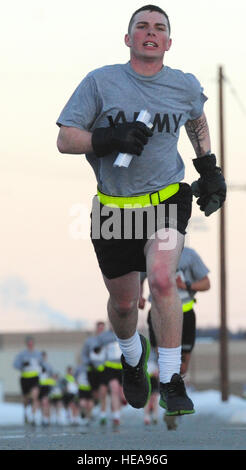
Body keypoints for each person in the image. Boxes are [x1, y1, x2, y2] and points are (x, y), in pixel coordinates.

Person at [56, 4, 226, 417]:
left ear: (168, 42)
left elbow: (196, 121)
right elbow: (65, 139)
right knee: (124, 305)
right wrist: (107, 137)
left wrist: (209, 169)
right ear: (128, 38)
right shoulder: (100, 82)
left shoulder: (183, 85)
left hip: (166, 199)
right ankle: (133, 355)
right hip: (115, 208)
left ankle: (170, 380)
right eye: (142, 27)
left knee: (165, 280)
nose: (150, 33)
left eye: (159, 28)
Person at [140, 245, 210, 428]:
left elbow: (206, 283)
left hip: (186, 312)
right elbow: (138, 276)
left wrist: (186, 285)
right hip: (158, 311)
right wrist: (138, 296)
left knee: (183, 364)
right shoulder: (151, 251)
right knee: (164, 359)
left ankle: (176, 399)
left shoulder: (189, 255)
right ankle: (169, 406)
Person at [81, 321, 108, 425]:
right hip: (92, 370)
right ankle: (93, 409)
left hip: (104, 369)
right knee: (94, 393)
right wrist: (88, 363)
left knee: (103, 391)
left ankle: (103, 414)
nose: (101, 330)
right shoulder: (90, 341)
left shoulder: (107, 340)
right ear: (96, 329)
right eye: (99, 328)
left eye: (102, 328)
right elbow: (84, 354)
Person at [13, 336, 43, 425]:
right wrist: (22, 365)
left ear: (33, 344)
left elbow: (42, 363)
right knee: (26, 398)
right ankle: (26, 412)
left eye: (31, 343)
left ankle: (33, 417)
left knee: (35, 396)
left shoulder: (38, 354)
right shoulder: (22, 354)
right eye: (28, 343)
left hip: (35, 378)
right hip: (25, 378)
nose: (30, 345)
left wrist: (44, 368)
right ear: (26, 344)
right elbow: (15, 364)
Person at [38, 351, 54, 426]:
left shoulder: (48, 366)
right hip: (39, 387)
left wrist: (51, 387)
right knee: (41, 403)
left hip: (46, 386)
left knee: (45, 402)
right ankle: (43, 417)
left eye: (44, 356)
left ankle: (47, 419)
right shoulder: (37, 365)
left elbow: (52, 377)